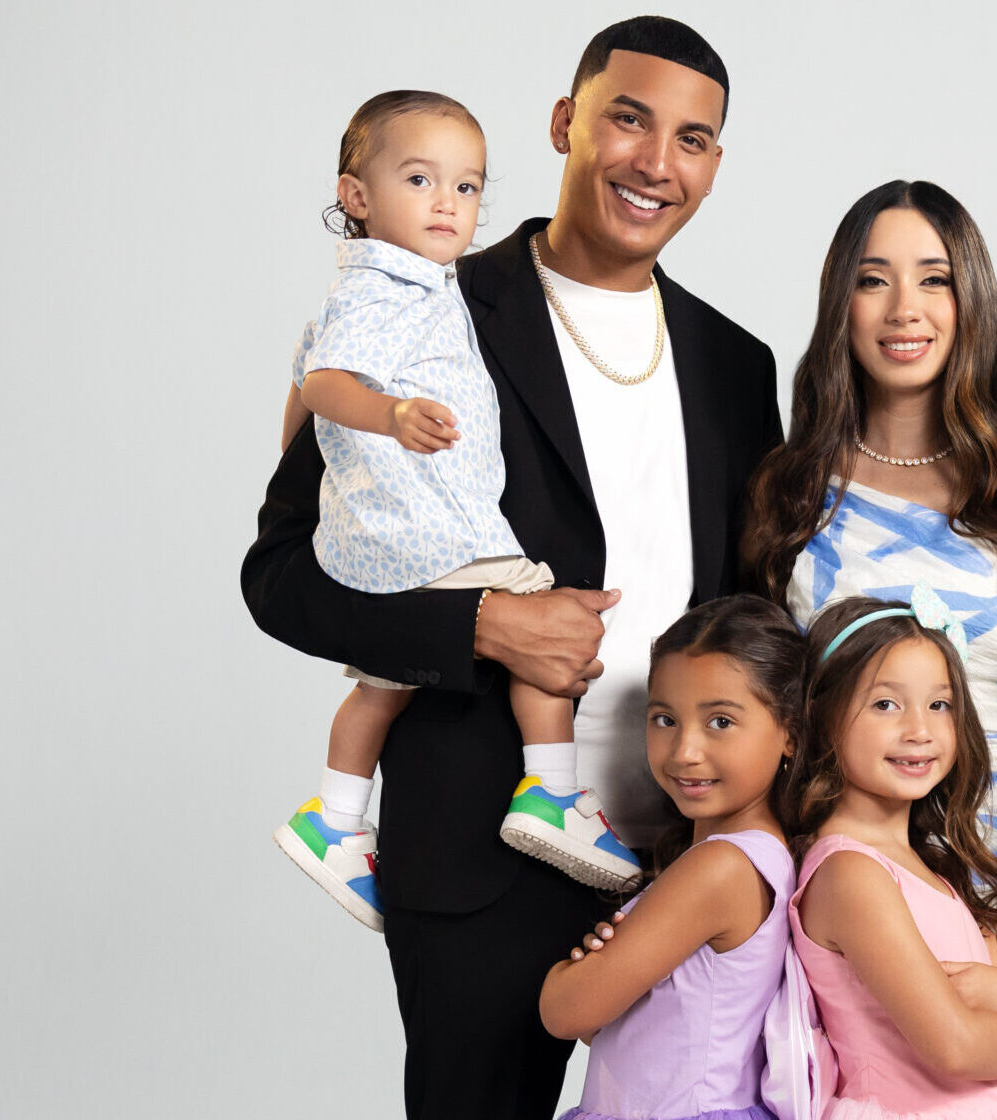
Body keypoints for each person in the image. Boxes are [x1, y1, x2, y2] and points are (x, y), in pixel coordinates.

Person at [241, 16, 780, 1117]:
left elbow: (755, 607)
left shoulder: (737, 362)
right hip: (483, 855)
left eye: (690, 139)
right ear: (566, 122)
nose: (655, 161)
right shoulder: (425, 298)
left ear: (714, 165)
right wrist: (480, 624)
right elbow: (281, 574)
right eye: (627, 119)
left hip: (693, 855)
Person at [271, 92, 639, 935]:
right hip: (431, 530)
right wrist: (389, 417)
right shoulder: (388, 290)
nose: (447, 203)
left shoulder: (394, 285)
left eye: (467, 187)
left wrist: (319, 463)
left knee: (381, 685)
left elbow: (302, 395)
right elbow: (326, 385)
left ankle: (335, 819)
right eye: (419, 180)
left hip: (391, 534)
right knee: (544, 620)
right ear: (356, 196)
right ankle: (551, 792)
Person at [745, 180, 997, 974]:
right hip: (850, 889)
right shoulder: (787, 487)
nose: (905, 309)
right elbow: (759, 705)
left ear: (972, 302)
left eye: (934, 279)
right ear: (840, 304)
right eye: (873, 280)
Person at [787, 591, 997, 1120]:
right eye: (885, 704)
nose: (920, 730)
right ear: (820, 714)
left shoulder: (931, 868)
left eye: (939, 705)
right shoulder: (850, 873)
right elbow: (956, 1047)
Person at [540, 595, 801, 1120]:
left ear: (791, 733)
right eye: (664, 719)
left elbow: (567, 1014)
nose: (684, 751)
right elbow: (628, 1027)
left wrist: (570, 978)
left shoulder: (720, 868)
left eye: (720, 721)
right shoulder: (754, 856)